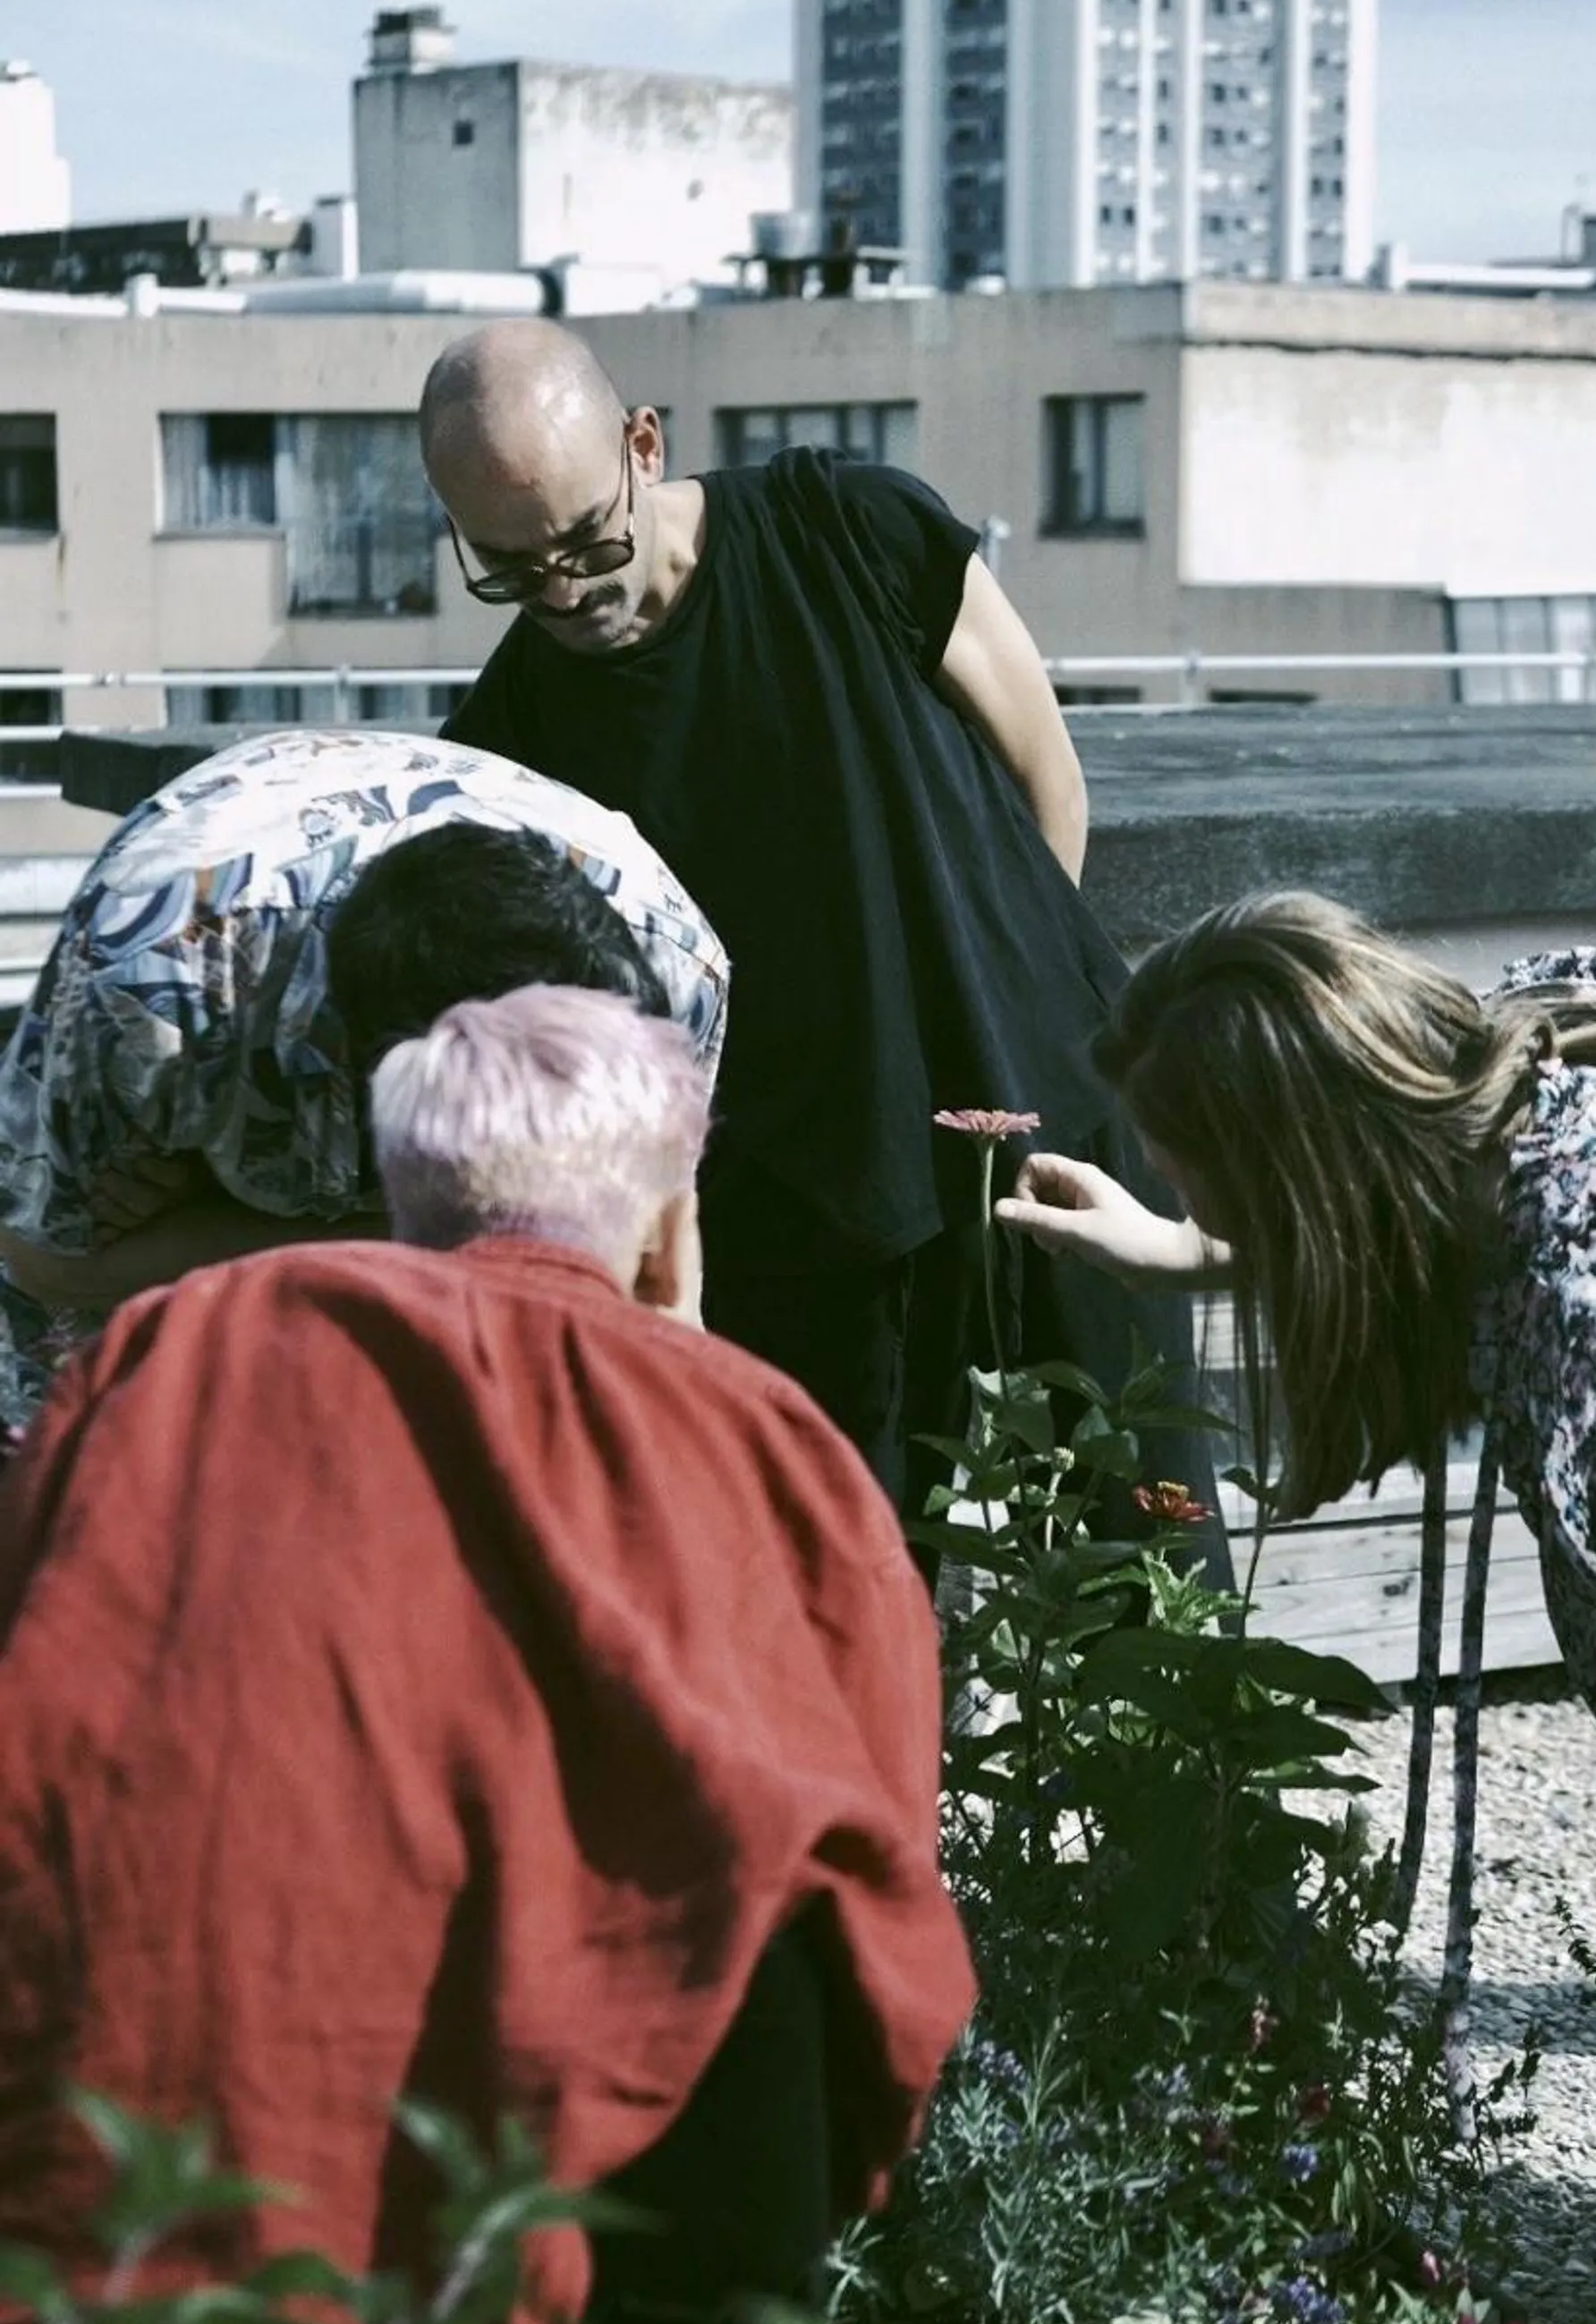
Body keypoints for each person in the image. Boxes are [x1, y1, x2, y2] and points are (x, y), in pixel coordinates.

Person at [0, 984, 973, 2324]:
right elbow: (887, 1903)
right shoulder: (769, 1435)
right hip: (622, 2241)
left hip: (144, 2203)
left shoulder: (165, 1349)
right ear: (669, 1232)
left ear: (404, 1193)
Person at [422, 320, 1227, 1565]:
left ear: (645, 446)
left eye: (587, 539)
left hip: (1050, 1139)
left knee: (1145, 1569)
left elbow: (1047, 775)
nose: (565, 591)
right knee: (831, 1602)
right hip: (799, 1231)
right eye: (512, 571)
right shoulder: (510, 738)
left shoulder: (848, 527)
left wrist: (1010, 1017)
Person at [996, 891, 1596, 1725]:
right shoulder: (1512, 1064)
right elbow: (1376, 1214)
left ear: (1294, 1191)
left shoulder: (1586, 1332)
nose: (1191, 1210)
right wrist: (1185, 1251)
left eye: (1187, 1187)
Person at [0, 723, 726, 1423]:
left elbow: (654, 1295)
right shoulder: (152, 974)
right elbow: (46, 1263)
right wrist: (489, 1235)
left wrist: (208, 1229)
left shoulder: (676, 972)